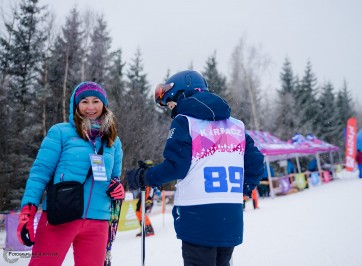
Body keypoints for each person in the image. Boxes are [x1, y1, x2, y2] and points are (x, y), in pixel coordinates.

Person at [127, 70, 264, 266]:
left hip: (197, 215)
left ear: (182, 92)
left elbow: (176, 167)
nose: (171, 108)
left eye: (171, 102)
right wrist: (243, 189)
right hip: (230, 216)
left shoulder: (185, 122)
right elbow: (256, 163)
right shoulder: (236, 125)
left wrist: (144, 177)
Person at [17, 82, 124, 265]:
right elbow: (40, 173)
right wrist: (28, 209)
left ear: (104, 105)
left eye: (96, 101)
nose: (90, 107)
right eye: (84, 101)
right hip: (60, 216)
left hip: (98, 220)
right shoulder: (61, 132)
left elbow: (114, 177)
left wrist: (117, 188)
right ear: (76, 105)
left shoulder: (113, 140)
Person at [131, 160, 156, 237]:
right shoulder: (144, 175)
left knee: (142, 213)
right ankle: (144, 228)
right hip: (143, 197)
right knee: (138, 211)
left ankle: (149, 229)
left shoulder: (152, 176)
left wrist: (149, 199)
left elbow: (152, 189)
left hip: (147, 199)